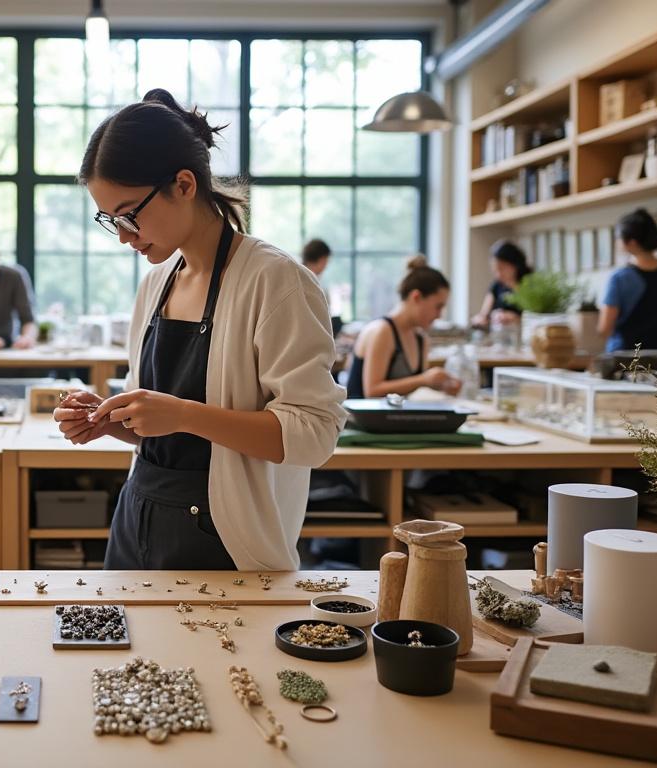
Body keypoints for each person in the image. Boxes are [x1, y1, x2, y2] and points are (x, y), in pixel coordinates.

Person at [53, 89, 346, 572]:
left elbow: (314, 435)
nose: (123, 235)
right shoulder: (155, 285)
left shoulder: (275, 281)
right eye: (110, 220)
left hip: (227, 540)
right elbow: (157, 432)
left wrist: (185, 414)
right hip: (136, 521)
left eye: (129, 214)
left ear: (184, 185)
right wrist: (110, 420)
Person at [346, 256, 461, 398]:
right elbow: (372, 391)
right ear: (416, 297)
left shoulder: (421, 339)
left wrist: (441, 386)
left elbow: (412, 390)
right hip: (362, 419)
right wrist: (423, 380)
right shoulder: (382, 331)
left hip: (395, 419)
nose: (439, 315)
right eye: (438, 307)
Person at [599, 209, 657, 353]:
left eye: (618, 237)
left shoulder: (620, 278)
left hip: (627, 359)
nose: (616, 242)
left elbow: (605, 329)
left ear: (632, 243)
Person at [470, 239, 532, 329]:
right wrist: (482, 319)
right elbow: (484, 315)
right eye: (495, 270)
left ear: (515, 265)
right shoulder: (496, 286)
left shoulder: (531, 286)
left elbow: (536, 319)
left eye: (502, 268)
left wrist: (516, 318)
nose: (498, 274)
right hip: (499, 335)